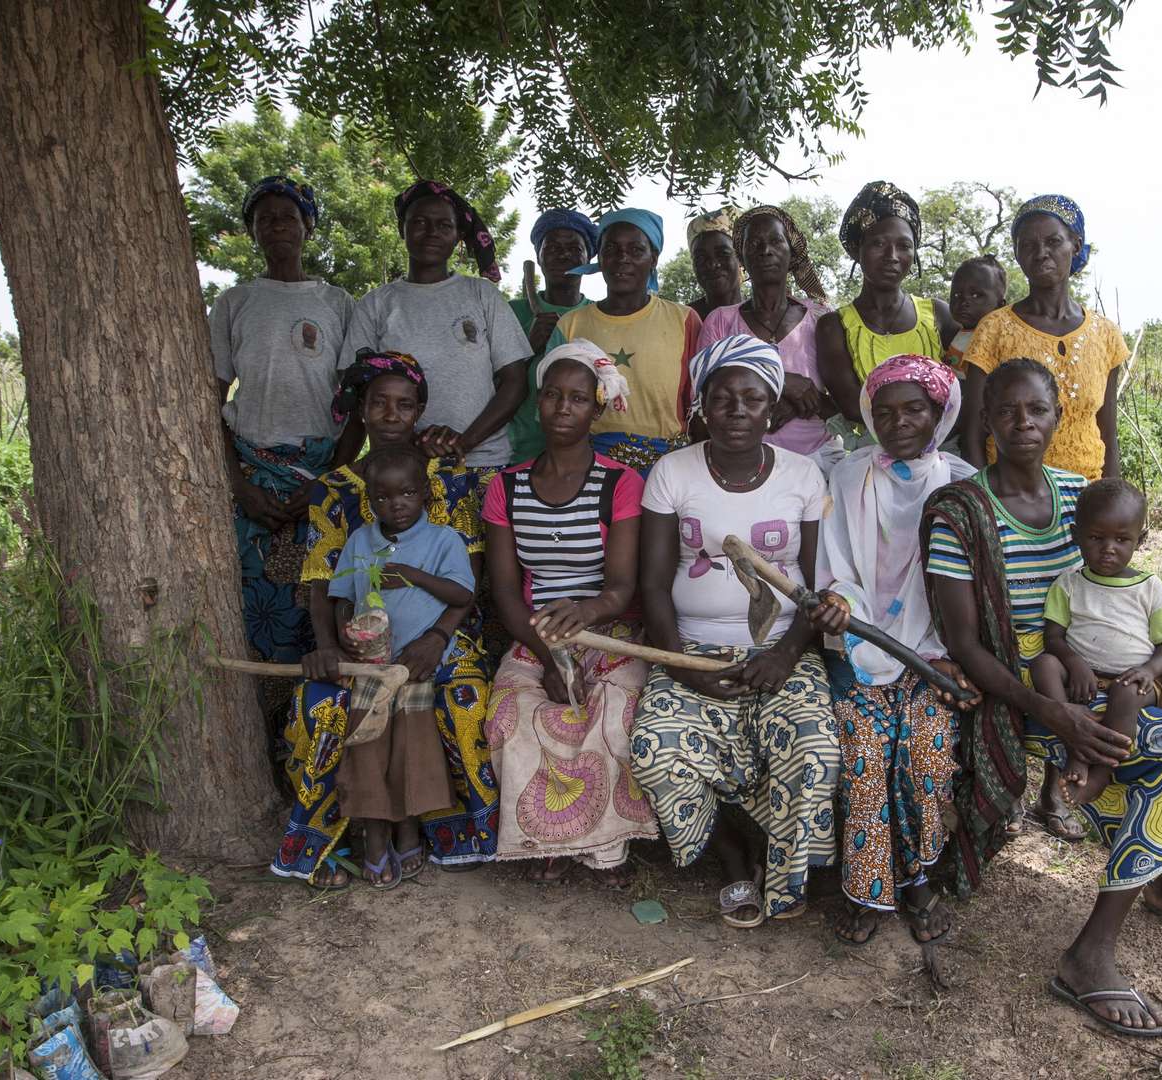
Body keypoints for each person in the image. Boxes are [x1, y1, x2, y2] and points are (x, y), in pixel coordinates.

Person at [922, 359, 1162, 1037]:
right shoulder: (961, 510)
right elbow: (966, 645)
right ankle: (1089, 955)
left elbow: (1122, 600)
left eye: (1038, 410)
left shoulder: (1078, 494)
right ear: (985, 420)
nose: (1023, 424)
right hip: (1026, 689)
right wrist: (1049, 709)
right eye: (1006, 412)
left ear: (1060, 417)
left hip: (1107, 680)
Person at [629, 335, 839, 927]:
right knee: (654, 747)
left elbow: (817, 587)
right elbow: (652, 584)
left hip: (782, 650)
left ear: (772, 408)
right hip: (691, 647)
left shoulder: (804, 476)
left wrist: (785, 657)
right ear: (702, 407)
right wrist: (679, 668)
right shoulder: (671, 473)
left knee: (815, 746)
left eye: (752, 398)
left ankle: (784, 871)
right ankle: (732, 859)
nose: (738, 410)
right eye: (724, 399)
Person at [271, 351, 498, 888]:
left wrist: (437, 639)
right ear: (362, 411)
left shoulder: (447, 479)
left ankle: (454, 831)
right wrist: (330, 645)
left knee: (460, 698)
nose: (391, 415)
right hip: (362, 641)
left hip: (442, 631)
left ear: (419, 410)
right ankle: (331, 842)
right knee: (321, 704)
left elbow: (468, 576)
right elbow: (323, 580)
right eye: (379, 403)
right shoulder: (335, 489)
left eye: (403, 405)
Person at [806, 355, 978, 948]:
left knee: (925, 753)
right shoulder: (848, 477)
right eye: (884, 411)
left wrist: (953, 652)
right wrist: (839, 605)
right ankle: (869, 888)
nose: (899, 421)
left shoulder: (961, 485)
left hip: (934, 656)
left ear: (940, 413)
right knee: (864, 750)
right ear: (868, 416)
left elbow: (969, 590)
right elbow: (835, 566)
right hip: (858, 648)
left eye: (914, 409)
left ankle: (918, 879)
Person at [482, 342, 658, 885]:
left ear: (596, 407)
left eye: (578, 398)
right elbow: (507, 592)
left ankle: (606, 848)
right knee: (512, 717)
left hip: (609, 630)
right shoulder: (505, 488)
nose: (564, 407)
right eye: (553, 395)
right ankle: (543, 842)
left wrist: (583, 618)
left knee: (612, 713)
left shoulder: (620, 484)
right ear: (538, 404)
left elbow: (622, 586)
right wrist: (546, 654)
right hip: (534, 632)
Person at [210, 176, 356, 750]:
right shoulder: (234, 302)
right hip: (254, 473)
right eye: (263, 218)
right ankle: (265, 741)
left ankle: (319, 738)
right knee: (257, 604)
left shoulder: (337, 302)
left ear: (307, 226)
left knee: (318, 598)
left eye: (286, 217)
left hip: (320, 469)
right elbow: (212, 396)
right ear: (252, 232)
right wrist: (239, 484)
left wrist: (331, 481)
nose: (276, 226)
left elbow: (358, 404)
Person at [321, 446, 475, 888]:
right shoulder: (359, 541)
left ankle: (408, 824)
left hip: (415, 663)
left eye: (407, 493)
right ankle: (375, 833)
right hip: (371, 664)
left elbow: (462, 595)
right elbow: (343, 599)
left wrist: (410, 574)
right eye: (383, 497)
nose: (397, 504)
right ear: (369, 499)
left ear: (425, 492)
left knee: (411, 733)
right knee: (367, 732)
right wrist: (347, 640)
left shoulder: (444, 540)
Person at [344, 179, 532, 471]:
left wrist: (461, 444)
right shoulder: (375, 304)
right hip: (401, 470)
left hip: (482, 464)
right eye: (419, 222)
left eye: (444, 225)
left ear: (458, 236)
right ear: (401, 229)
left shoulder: (482, 295)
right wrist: (411, 445)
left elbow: (515, 381)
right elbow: (358, 393)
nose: (431, 233)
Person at [1031, 479, 1162, 805]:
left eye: (1121, 539)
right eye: (1096, 538)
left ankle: (1102, 771)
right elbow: (1053, 637)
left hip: (1133, 679)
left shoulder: (1150, 588)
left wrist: (1149, 671)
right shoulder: (1069, 584)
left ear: (1139, 541)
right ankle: (1076, 747)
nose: (1108, 548)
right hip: (1081, 675)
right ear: (1076, 536)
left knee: (1125, 693)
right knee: (1043, 665)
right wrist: (1074, 663)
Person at [959, 195, 1128, 480]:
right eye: (1028, 245)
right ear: (1017, 254)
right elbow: (973, 432)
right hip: (1011, 498)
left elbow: (1108, 436)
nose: (1040, 253)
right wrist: (985, 505)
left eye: (1053, 242)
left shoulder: (1106, 335)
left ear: (1075, 245)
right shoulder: (994, 329)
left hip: (1087, 500)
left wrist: (1113, 505)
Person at [546, 209, 702, 475]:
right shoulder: (571, 324)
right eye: (612, 249)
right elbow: (552, 406)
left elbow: (700, 402)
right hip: (591, 470)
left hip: (669, 469)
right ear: (600, 257)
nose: (622, 259)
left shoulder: (684, 320)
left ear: (653, 258)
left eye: (636, 250)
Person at [699, 205, 836, 465]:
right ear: (742, 258)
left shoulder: (821, 317)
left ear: (791, 251)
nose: (765, 251)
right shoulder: (720, 321)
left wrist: (799, 402)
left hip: (818, 460)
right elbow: (707, 392)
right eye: (754, 244)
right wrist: (781, 382)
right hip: (742, 465)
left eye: (776, 241)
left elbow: (843, 406)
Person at [816, 181, 956, 433]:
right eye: (879, 244)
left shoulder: (938, 316)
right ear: (858, 250)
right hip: (868, 460)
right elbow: (851, 405)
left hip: (939, 456)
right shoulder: (834, 327)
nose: (892, 255)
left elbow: (963, 391)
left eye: (904, 246)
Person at [507, 209, 598, 463]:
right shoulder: (512, 313)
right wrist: (527, 347)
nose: (563, 255)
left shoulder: (598, 316)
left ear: (588, 257)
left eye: (574, 248)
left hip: (582, 458)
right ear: (538, 256)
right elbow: (487, 384)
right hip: (517, 452)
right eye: (552, 247)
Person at [941, 255, 1009, 458]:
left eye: (977, 295)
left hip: (972, 423)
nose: (964, 302)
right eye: (956, 295)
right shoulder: (957, 334)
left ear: (1000, 304)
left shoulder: (996, 338)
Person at [684, 207, 743, 320]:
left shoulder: (761, 317)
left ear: (740, 257)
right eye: (701, 258)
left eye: (722, 254)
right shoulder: (683, 321)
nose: (712, 264)